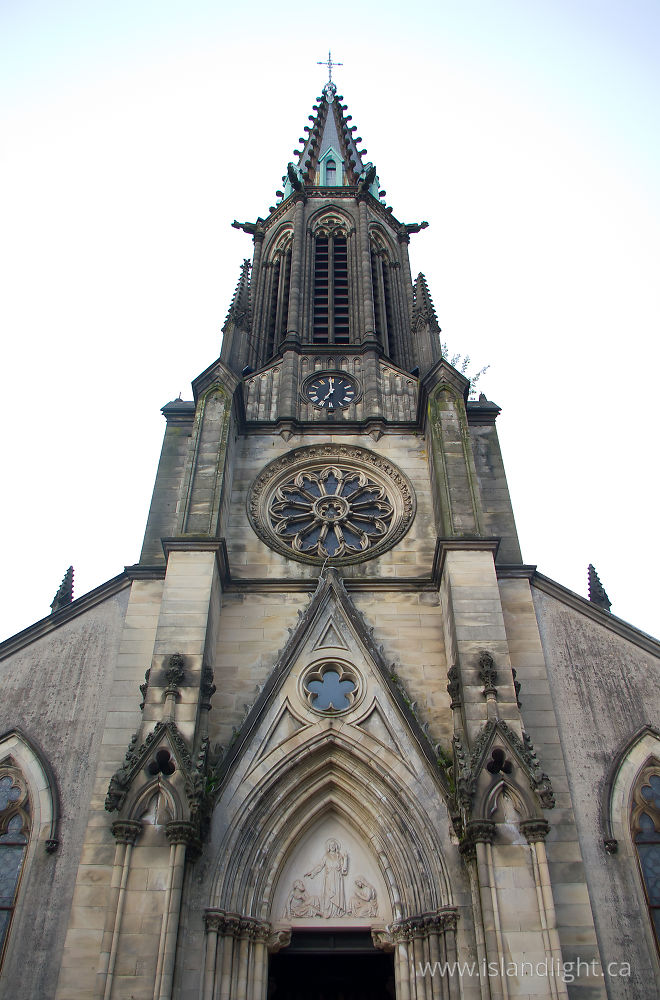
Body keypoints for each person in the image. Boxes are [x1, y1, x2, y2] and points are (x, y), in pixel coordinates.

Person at [305, 838, 349, 917]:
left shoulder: (339, 856)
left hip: (337, 879)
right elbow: (320, 866)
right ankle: (328, 911)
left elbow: (344, 870)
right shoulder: (326, 856)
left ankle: (337, 912)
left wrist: (345, 859)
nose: (332, 846)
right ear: (328, 846)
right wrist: (312, 872)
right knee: (329, 895)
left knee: (337, 896)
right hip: (329, 879)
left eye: (334, 845)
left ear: (336, 846)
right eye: (331, 845)